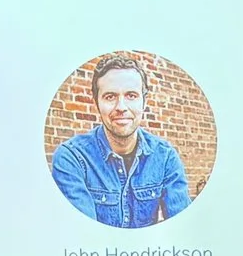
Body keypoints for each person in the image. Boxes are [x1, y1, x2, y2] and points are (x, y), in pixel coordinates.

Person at [50, 52, 196, 229]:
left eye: (131, 95)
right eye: (110, 96)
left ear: (144, 102)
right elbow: (85, 236)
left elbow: (183, 229)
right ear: (96, 103)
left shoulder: (165, 157)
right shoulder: (72, 158)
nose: (121, 107)